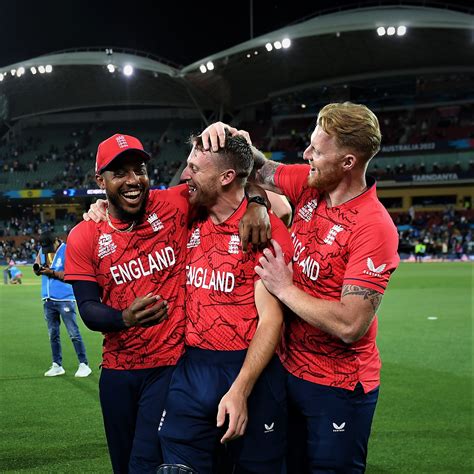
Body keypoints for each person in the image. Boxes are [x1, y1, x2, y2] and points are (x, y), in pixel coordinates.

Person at [201, 102, 400, 473]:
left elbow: (350, 324)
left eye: (317, 151)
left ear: (348, 163)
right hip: (288, 373)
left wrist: (285, 288)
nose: (306, 155)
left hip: (337, 386)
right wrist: (227, 134)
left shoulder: (374, 226)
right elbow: (260, 167)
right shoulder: (309, 186)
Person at [66, 133, 271, 474]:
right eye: (120, 173)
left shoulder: (174, 203)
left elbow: (229, 179)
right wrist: (124, 318)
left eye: (139, 169)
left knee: (146, 465)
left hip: (169, 367)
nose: (133, 180)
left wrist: (257, 203)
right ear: (100, 181)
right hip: (117, 373)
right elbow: (87, 307)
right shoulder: (85, 235)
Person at [157, 133, 293, 473]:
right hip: (193, 370)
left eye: (193, 168)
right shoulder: (188, 215)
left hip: (250, 370)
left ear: (226, 177)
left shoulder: (265, 232)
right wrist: (98, 209)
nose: (185, 176)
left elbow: (270, 320)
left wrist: (241, 389)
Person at [33, 232, 91, 377]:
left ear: (56, 241)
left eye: (48, 247)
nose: (46, 251)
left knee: (73, 333)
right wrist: (38, 269)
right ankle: (57, 365)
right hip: (48, 299)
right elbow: (38, 264)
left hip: (65, 298)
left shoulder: (68, 250)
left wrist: (51, 272)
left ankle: (84, 364)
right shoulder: (43, 250)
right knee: (53, 334)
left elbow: (71, 275)